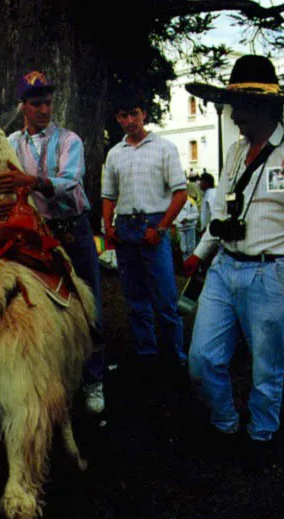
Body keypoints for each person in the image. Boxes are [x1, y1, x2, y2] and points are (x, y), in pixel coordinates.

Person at [182, 55, 284, 465]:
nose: (235, 117)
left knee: (266, 365)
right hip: (224, 268)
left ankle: (261, 434)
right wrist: (199, 255)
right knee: (201, 359)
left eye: (242, 109)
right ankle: (225, 422)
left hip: (270, 272)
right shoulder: (235, 152)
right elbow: (221, 212)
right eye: (233, 107)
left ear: (267, 109)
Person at [0, 71, 107, 414]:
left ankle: (94, 379)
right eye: (37, 103)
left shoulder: (70, 140)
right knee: (40, 302)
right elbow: (0, 184)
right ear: (24, 106)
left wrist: (31, 180)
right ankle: (55, 375)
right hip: (34, 231)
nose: (44, 109)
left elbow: (70, 180)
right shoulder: (10, 142)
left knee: (88, 302)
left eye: (48, 103)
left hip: (72, 229)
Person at [101, 89, 189, 377]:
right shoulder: (114, 154)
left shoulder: (164, 148)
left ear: (144, 114)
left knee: (165, 300)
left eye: (134, 114)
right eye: (124, 115)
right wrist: (108, 227)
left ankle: (176, 358)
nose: (130, 121)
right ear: (117, 118)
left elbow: (180, 192)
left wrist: (161, 228)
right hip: (125, 228)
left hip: (153, 225)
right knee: (135, 300)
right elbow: (108, 195)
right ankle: (146, 355)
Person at [174, 194, 199, 260]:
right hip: (179, 228)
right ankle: (185, 264)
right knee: (183, 249)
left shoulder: (191, 200)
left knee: (191, 248)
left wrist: (187, 219)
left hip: (190, 227)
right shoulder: (174, 200)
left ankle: (191, 265)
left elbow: (196, 214)